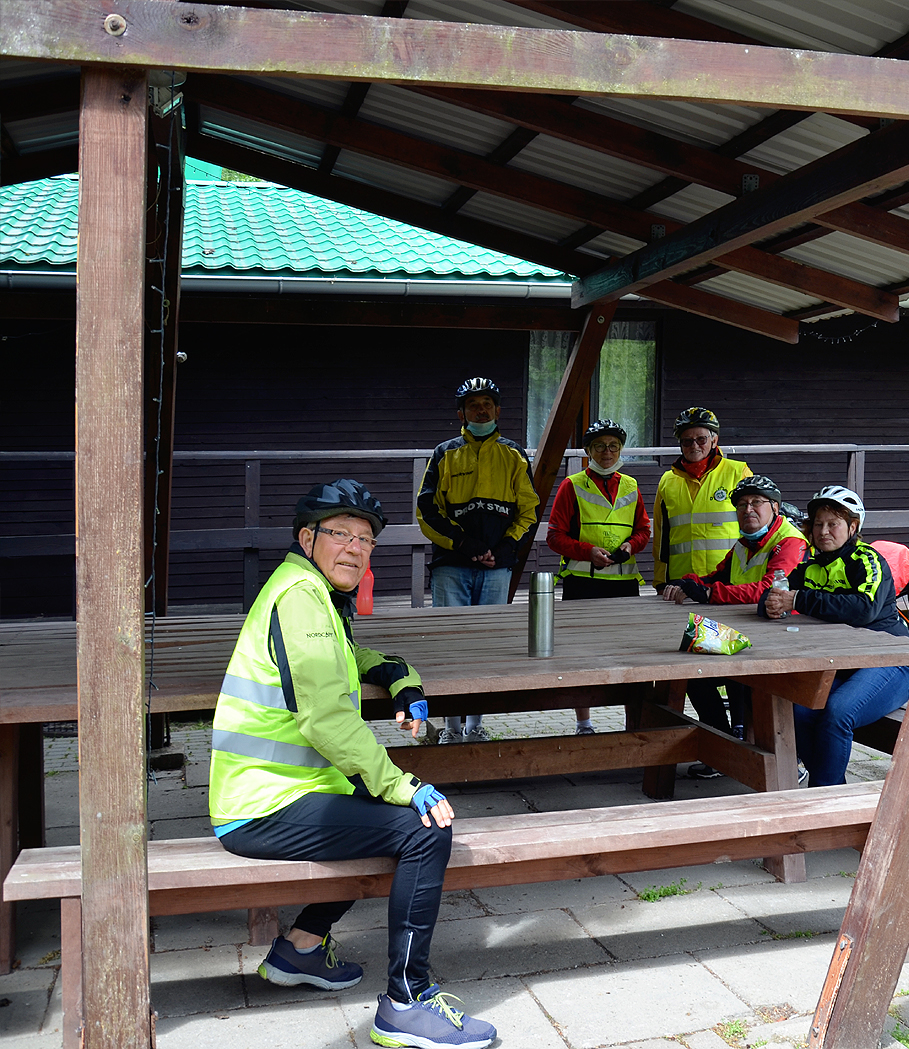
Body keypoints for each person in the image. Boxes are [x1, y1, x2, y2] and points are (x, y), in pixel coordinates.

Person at [209, 479, 495, 1049]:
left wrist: (400, 678)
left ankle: (300, 949)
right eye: (340, 533)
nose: (355, 548)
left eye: (365, 539)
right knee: (422, 828)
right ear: (306, 538)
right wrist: (401, 783)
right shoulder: (300, 597)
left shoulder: (309, 592)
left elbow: (348, 657)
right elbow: (326, 719)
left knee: (380, 814)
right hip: (261, 807)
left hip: (280, 792)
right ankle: (406, 1002)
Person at [759, 486, 909, 787]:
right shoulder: (810, 567)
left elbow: (864, 609)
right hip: (844, 663)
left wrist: (798, 600)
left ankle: (823, 796)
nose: (823, 531)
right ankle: (831, 791)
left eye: (833, 524)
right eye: (818, 524)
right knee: (799, 710)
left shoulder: (867, 559)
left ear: (852, 527)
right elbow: (774, 595)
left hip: (891, 660)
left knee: (837, 712)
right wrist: (770, 604)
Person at [418, 376, 540, 744]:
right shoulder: (444, 453)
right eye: (473, 405)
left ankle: (475, 727)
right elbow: (426, 510)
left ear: (497, 410)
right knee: (450, 646)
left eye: (487, 404)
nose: (481, 410)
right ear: (462, 413)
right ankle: (451, 728)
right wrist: (463, 543)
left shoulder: (514, 454)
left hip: (496, 568)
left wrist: (506, 549)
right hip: (451, 566)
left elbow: (529, 510)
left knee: (488, 647)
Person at [661, 475, 807, 776]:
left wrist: (709, 594)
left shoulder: (790, 541)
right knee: (693, 672)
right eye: (741, 505)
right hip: (748, 632)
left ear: (775, 507)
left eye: (756, 502)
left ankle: (789, 762)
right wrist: (688, 583)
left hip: (783, 638)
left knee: (745, 681)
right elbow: (718, 576)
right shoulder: (744, 543)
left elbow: (769, 590)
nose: (747, 509)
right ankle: (723, 746)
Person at [544, 419, 651, 734]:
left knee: (631, 656)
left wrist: (631, 546)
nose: (607, 452)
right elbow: (554, 536)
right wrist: (587, 551)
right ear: (588, 451)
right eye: (600, 446)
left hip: (624, 583)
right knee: (580, 655)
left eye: (613, 446)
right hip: (583, 582)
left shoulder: (630, 485)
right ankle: (584, 724)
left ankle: (632, 725)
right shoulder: (572, 485)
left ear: (621, 449)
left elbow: (643, 529)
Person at [652, 406, 751, 587]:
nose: (694, 446)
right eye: (687, 441)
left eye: (701, 439)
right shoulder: (667, 481)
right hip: (681, 582)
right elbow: (661, 538)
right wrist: (660, 580)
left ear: (714, 440)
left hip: (727, 580)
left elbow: (755, 527)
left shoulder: (738, 473)